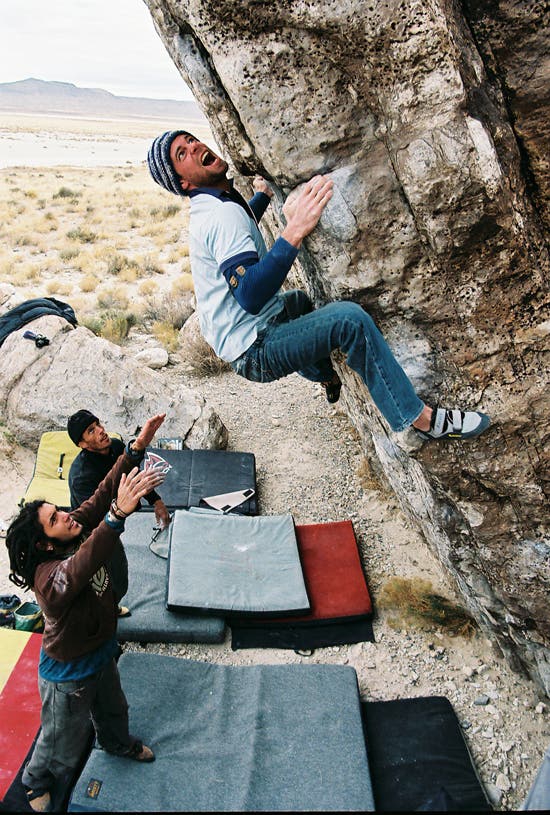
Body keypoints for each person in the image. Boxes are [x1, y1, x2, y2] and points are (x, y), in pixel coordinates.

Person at [147, 130, 490, 442]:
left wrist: (263, 197)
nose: (194, 147)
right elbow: (250, 294)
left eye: (190, 140)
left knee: (297, 302)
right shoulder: (218, 216)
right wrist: (294, 230)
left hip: (247, 335)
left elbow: (239, 227)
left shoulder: (218, 200)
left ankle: (326, 374)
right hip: (255, 348)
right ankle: (418, 419)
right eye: (182, 154)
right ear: (184, 184)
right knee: (349, 321)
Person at [5, 413, 167, 813]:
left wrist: (135, 449)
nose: (67, 515)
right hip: (69, 670)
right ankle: (34, 780)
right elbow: (81, 567)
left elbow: (101, 493)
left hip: (100, 649)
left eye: (61, 511)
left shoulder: (71, 527)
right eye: (56, 519)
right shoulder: (48, 578)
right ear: (45, 544)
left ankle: (116, 743)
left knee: (114, 709)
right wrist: (117, 517)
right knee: (61, 738)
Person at [67, 409, 171, 617]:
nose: (101, 431)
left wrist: (156, 501)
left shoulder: (114, 446)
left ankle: (111, 606)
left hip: (114, 517)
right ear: (82, 444)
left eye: (98, 425)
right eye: (91, 431)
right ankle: (99, 615)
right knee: (101, 577)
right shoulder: (81, 476)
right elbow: (94, 512)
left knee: (119, 574)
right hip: (92, 529)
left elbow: (133, 475)